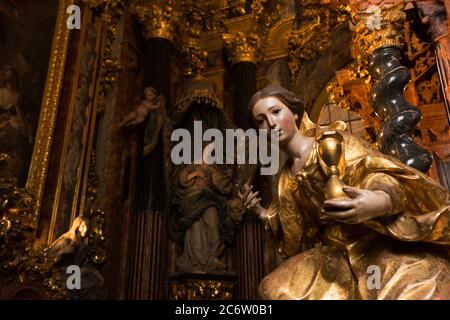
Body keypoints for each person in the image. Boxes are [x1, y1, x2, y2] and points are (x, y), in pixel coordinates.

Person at [238, 84, 450, 300]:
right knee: (274, 288)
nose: (271, 124)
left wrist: (377, 201)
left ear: (294, 112)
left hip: (376, 241)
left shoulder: (332, 141)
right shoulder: (286, 177)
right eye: (261, 120)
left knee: (410, 291)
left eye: (276, 112)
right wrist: (262, 213)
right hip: (336, 255)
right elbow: (297, 227)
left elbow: (376, 172)